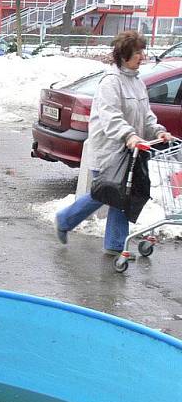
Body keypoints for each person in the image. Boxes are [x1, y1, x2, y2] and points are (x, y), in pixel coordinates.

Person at [55, 30, 173, 256]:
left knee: (119, 193)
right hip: (109, 149)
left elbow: (146, 115)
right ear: (124, 55)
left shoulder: (137, 82)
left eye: (142, 51)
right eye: (137, 52)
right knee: (107, 192)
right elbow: (111, 116)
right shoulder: (111, 82)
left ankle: (114, 245)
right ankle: (66, 220)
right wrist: (129, 135)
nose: (142, 56)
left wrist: (158, 130)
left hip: (130, 150)